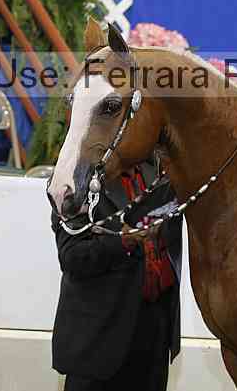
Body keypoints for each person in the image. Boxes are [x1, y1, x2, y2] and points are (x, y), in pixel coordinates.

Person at [50, 163, 182, 391]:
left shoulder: (161, 175)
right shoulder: (77, 180)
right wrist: (122, 242)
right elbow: (71, 256)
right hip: (99, 341)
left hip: (154, 331)